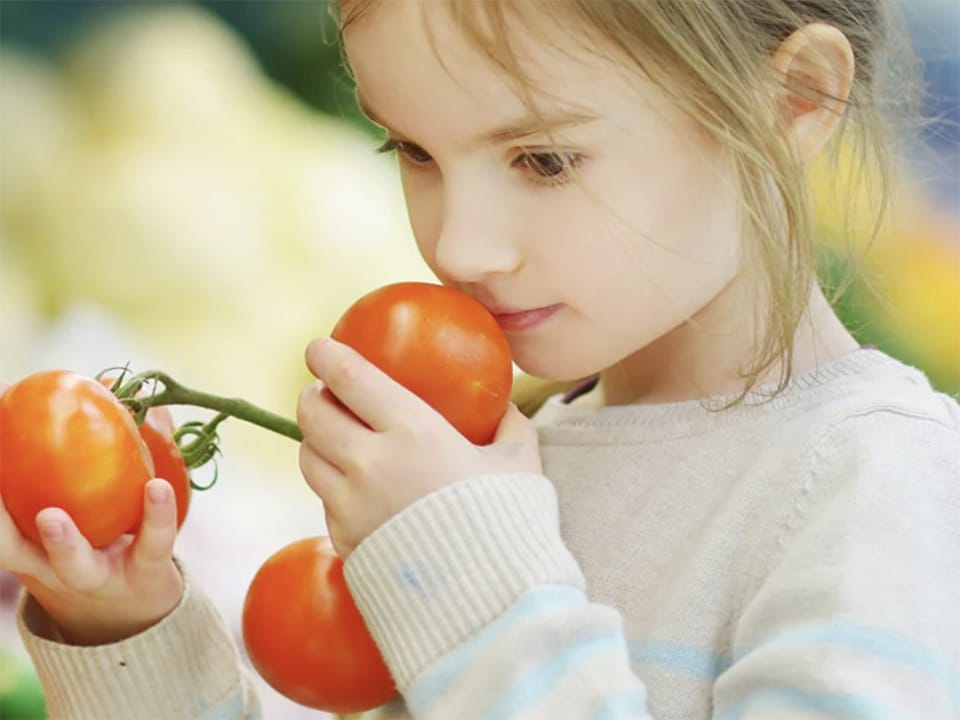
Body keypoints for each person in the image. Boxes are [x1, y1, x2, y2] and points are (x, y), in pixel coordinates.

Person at [3, 0, 958, 718]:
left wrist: (464, 570)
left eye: (543, 160)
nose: (458, 248)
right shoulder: (511, 461)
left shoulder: (878, 486)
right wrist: (124, 634)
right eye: (413, 151)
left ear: (793, 101)